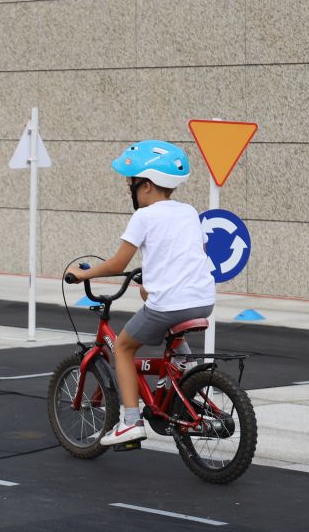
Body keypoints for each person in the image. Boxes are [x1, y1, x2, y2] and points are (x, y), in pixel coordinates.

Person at [65, 140, 216, 447]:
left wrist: (84, 273)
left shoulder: (143, 217)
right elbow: (194, 254)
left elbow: (118, 263)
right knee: (155, 300)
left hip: (172, 304)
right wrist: (152, 282)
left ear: (146, 185)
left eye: (131, 184)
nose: (129, 190)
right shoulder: (188, 212)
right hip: (203, 300)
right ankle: (184, 363)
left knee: (122, 347)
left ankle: (130, 422)